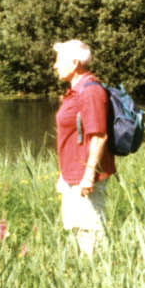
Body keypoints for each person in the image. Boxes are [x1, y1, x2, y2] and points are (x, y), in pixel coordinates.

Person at [52, 39, 116, 254]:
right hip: (73, 173)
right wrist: (64, 174)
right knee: (79, 228)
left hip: (86, 176)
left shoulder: (90, 91)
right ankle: (88, 268)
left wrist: (89, 174)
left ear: (75, 63)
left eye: (59, 60)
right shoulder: (75, 91)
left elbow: (99, 136)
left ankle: (99, 269)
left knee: (92, 232)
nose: (55, 66)